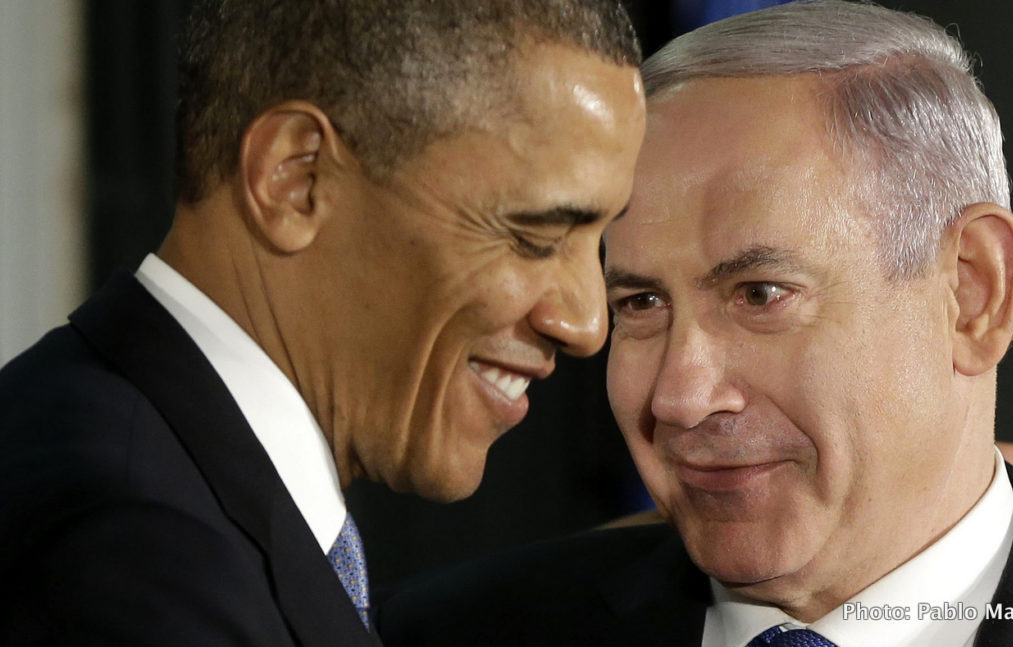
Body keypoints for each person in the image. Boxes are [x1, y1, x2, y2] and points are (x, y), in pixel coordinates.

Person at [377, 2, 1013, 646]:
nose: (680, 398)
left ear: (973, 292)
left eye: (759, 294)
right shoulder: (433, 634)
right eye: (640, 304)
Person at [0, 1, 644, 645]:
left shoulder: (153, 482)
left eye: (600, 245)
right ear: (297, 180)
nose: (587, 323)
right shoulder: (134, 557)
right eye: (536, 237)